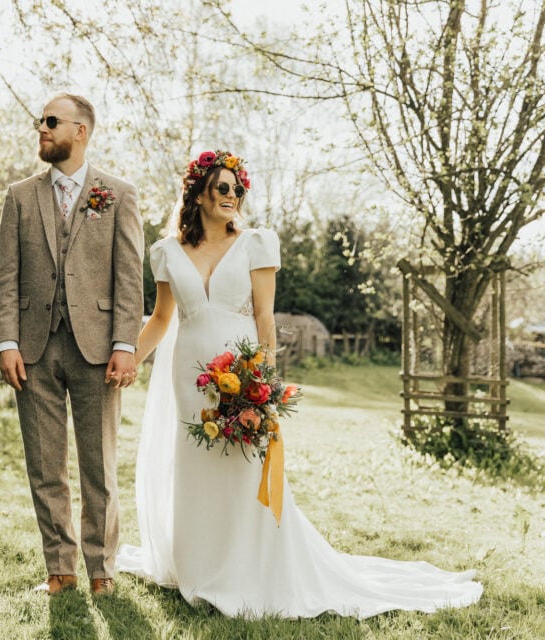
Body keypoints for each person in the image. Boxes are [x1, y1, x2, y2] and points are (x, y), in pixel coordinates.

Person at [116, 149, 483, 618]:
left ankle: (246, 568)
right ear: (199, 192)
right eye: (223, 187)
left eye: (238, 189)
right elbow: (162, 318)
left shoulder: (255, 244)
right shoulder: (167, 252)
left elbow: (265, 318)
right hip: (188, 377)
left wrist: (263, 383)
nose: (233, 196)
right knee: (195, 467)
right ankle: (198, 566)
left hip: (242, 371)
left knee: (242, 469)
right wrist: (128, 360)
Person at [0, 93, 144, 597]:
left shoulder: (118, 194)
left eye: (51, 121)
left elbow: (128, 278)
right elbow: (5, 277)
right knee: (45, 464)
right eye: (41, 120)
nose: (42, 127)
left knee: (98, 465)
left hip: (98, 349)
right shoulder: (19, 196)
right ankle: (60, 569)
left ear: (81, 131)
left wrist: (126, 343)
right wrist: (6, 341)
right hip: (32, 349)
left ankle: (102, 570)